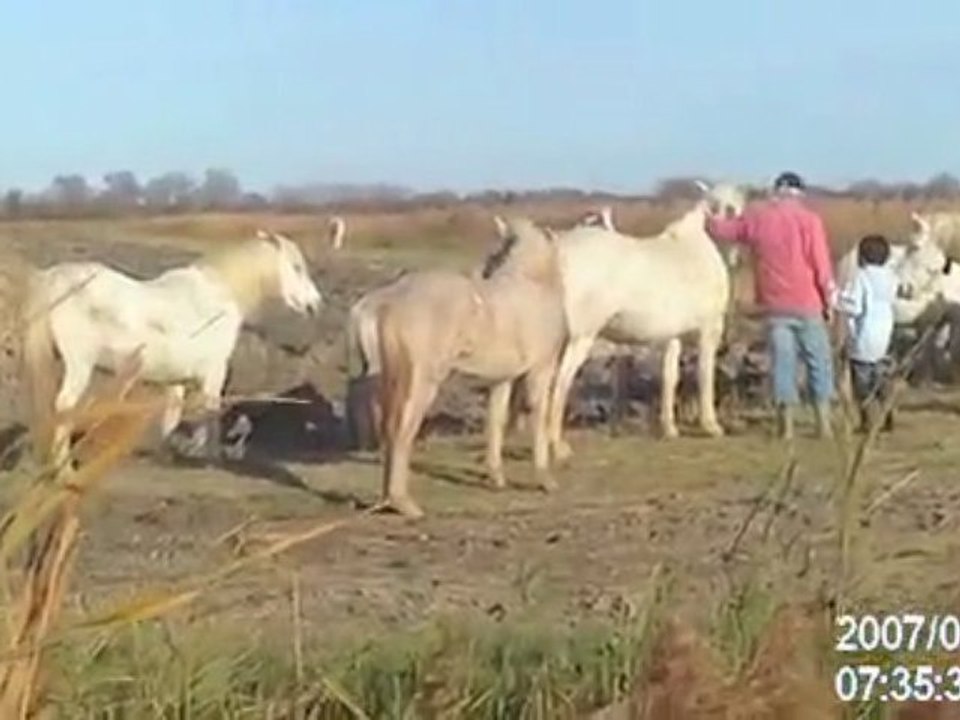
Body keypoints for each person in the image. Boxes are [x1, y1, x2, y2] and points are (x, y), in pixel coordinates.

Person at [704, 171, 836, 439]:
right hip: (808, 302)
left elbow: (724, 230)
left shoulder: (757, 217)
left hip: (774, 304)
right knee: (818, 362)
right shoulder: (809, 221)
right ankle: (823, 424)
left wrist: (708, 213)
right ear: (800, 193)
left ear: (775, 191)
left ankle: (785, 426)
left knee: (782, 363)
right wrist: (829, 299)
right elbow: (821, 264)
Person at [836, 234, 898, 432]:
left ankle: (867, 420)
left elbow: (853, 306)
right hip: (884, 334)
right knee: (881, 379)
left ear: (860, 257)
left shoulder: (861, 278)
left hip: (863, 338)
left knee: (862, 384)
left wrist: (835, 299)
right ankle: (887, 412)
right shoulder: (891, 278)